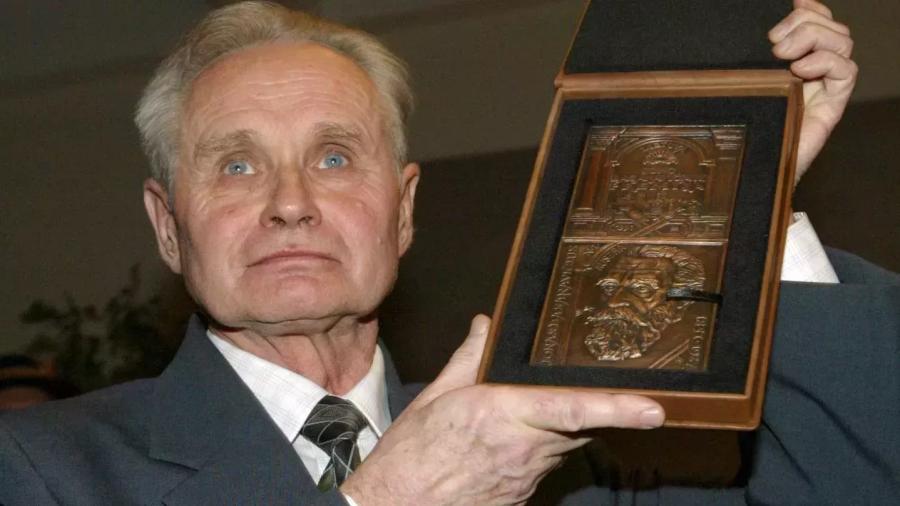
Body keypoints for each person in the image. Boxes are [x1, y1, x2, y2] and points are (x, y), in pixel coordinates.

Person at [2, 0, 895, 504]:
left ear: (403, 211)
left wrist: (747, 197)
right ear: (168, 226)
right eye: (237, 165)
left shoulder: (560, 456)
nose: (290, 202)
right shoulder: (39, 469)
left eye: (335, 157)